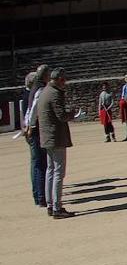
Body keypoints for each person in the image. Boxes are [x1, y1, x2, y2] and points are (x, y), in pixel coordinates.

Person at [37, 68, 76, 219]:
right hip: (56, 136)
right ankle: (57, 207)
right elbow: (61, 116)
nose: (65, 82)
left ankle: (51, 204)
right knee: (58, 171)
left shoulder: (45, 92)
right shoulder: (55, 93)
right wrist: (71, 114)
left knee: (51, 171)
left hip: (47, 137)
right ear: (59, 79)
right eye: (64, 79)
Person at [21, 66, 50, 207]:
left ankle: (39, 196)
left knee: (37, 164)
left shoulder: (31, 91)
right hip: (37, 131)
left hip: (32, 130)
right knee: (40, 165)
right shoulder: (39, 90)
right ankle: (41, 196)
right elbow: (33, 112)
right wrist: (30, 126)